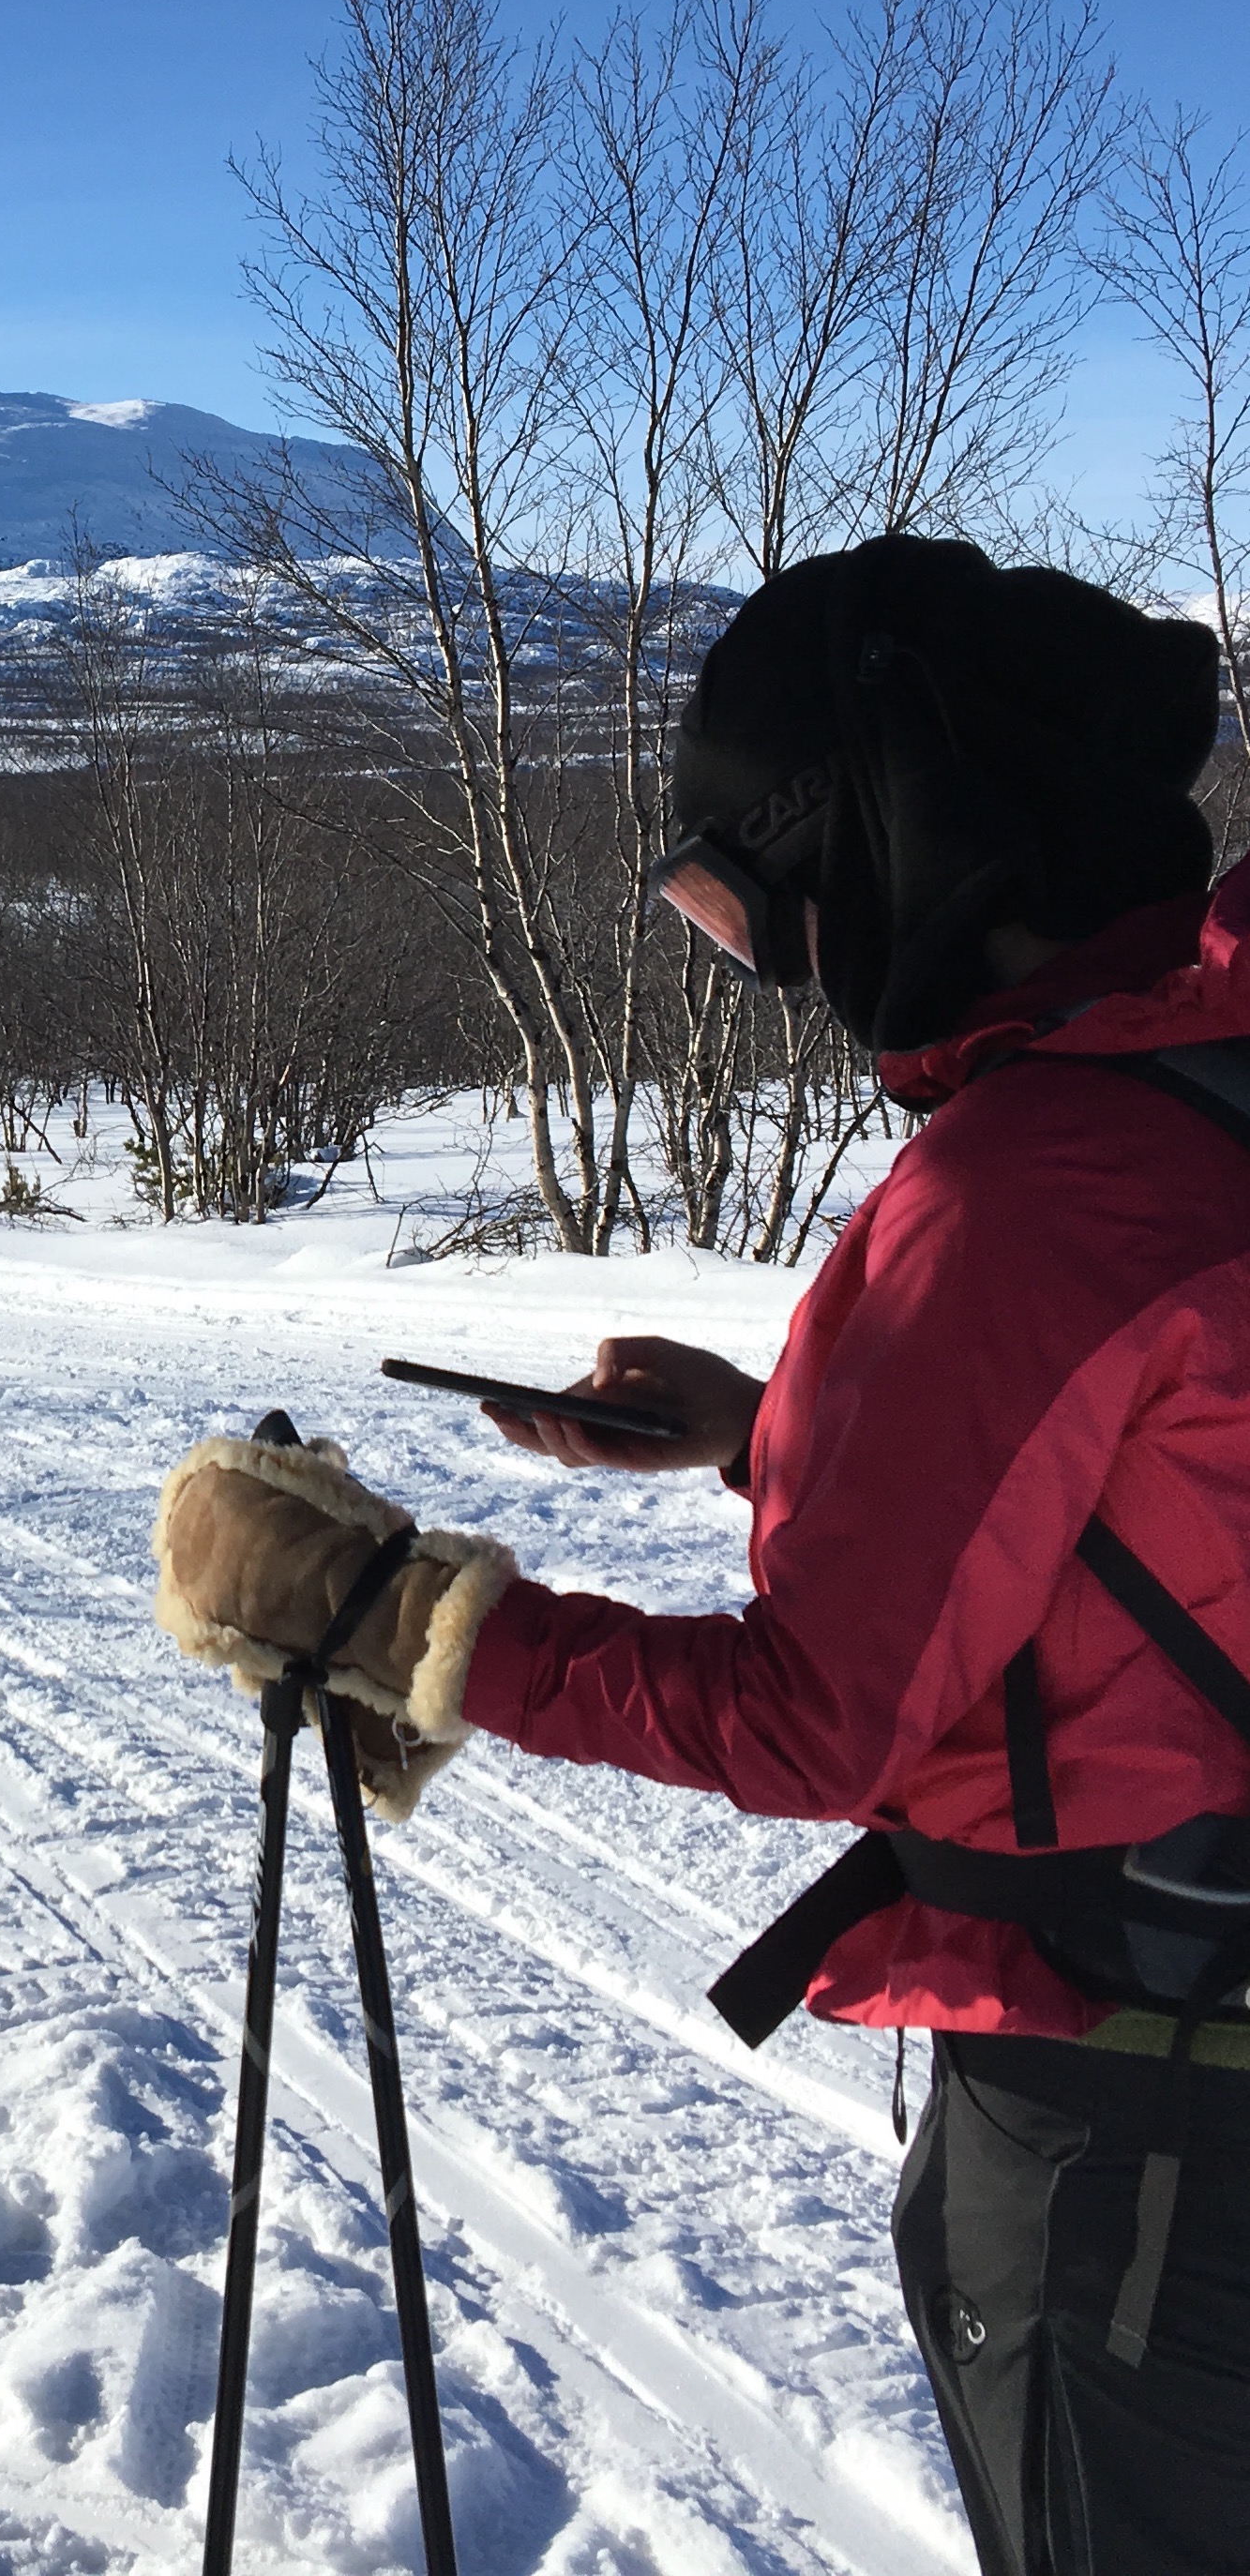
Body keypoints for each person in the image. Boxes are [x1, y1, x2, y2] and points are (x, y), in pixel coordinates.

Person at [153, 534, 1250, 2576]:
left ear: (900, 853)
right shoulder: (1205, 1080)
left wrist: (408, 1627)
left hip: (1143, 2126)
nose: (775, 967)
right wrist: (782, 1442)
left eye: (750, 912)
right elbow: (1177, 1504)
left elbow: (819, 1717)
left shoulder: (1025, 1194)